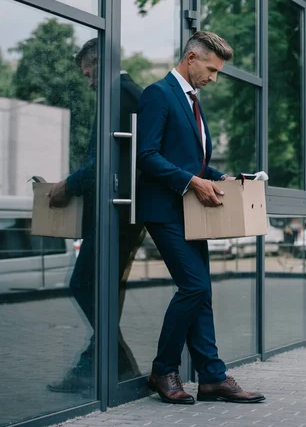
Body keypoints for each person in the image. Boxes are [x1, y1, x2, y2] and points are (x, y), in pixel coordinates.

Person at [136, 31, 265, 405]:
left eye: (218, 71)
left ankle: (211, 378)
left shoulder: (193, 100)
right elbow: (146, 155)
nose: (213, 77)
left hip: (191, 212)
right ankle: (163, 369)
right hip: (164, 211)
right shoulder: (158, 94)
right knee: (194, 288)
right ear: (191, 58)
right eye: (211, 69)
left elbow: (194, 162)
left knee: (201, 292)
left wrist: (216, 177)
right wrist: (192, 180)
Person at [47, 38, 145, 393]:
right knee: (102, 291)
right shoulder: (123, 94)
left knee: (84, 283)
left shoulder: (124, 95)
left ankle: (119, 363)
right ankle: (96, 366)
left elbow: (105, 161)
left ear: (101, 62)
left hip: (118, 214)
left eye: (89, 74)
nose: (88, 82)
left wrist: (69, 184)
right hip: (117, 212)